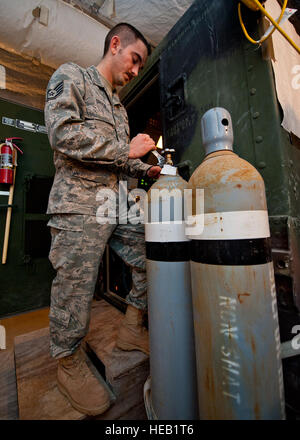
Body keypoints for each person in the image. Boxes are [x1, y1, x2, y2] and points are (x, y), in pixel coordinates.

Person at [44, 22, 161, 416]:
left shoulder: (119, 110)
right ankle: (68, 361)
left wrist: (145, 170)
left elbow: (121, 162)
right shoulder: (71, 76)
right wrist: (125, 149)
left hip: (115, 203)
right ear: (115, 44)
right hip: (78, 202)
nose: (135, 70)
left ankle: (131, 327)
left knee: (152, 251)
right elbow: (62, 134)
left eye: (140, 66)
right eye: (134, 60)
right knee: (74, 286)